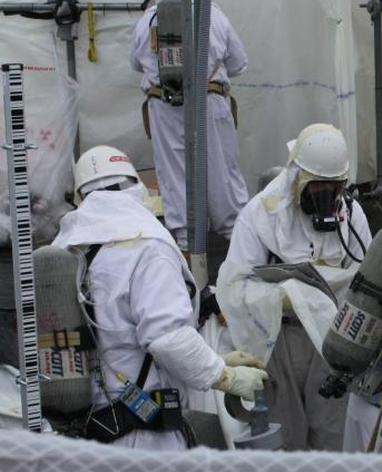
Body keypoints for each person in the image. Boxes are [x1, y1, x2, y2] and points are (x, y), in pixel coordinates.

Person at [52, 146, 267, 450]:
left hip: (92, 433)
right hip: (144, 434)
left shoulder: (71, 248)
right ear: (137, 188)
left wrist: (215, 358)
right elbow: (168, 338)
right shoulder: (146, 247)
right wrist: (224, 374)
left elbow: (120, 338)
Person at [223, 124, 372, 451]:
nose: (326, 201)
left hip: (333, 340)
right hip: (277, 337)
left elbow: (364, 280)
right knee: (284, 432)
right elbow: (234, 286)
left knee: (334, 433)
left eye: (333, 191)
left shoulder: (352, 216)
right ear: (296, 180)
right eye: (318, 191)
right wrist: (284, 296)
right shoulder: (260, 216)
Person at [129, 3, 250, 249]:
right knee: (220, 169)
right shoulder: (214, 15)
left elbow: (135, 62)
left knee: (174, 172)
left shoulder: (148, 19)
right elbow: (238, 63)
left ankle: (186, 242)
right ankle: (236, 238)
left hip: (163, 105)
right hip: (209, 100)